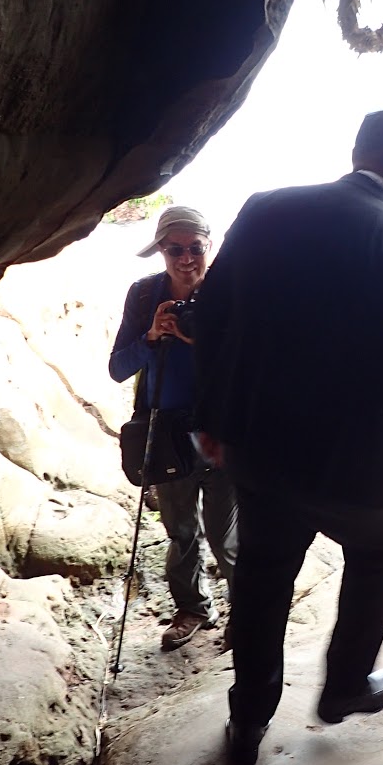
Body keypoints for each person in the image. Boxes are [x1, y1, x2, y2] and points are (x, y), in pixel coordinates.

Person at [194, 107, 383, 765]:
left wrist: (209, 418)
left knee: (261, 579)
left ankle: (248, 720)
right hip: (355, 466)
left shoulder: (266, 208)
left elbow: (212, 315)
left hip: (260, 448)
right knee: (378, 552)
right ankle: (343, 687)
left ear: (358, 150)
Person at [109, 205, 237, 650]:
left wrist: (203, 341)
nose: (186, 259)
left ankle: (245, 611)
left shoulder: (229, 293)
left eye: (195, 248)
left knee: (225, 535)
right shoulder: (146, 295)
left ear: (209, 246)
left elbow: (255, 363)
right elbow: (117, 368)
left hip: (222, 431)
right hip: (166, 434)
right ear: (160, 250)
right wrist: (150, 337)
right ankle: (192, 608)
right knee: (181, 531)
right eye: (174, 249)